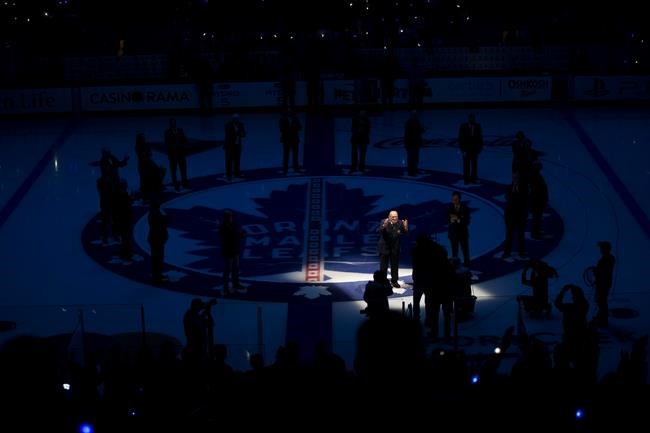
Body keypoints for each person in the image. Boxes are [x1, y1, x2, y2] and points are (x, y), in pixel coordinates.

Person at [377, 210, 408, 288]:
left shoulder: (400, 222)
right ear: (389, 217)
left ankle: (394, 281)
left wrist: (405, 226)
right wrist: (384, 225)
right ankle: (383, 281)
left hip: (395, 248)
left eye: (396, 216)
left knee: (394, 266)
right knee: (383, 267)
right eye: (393, 217)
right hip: (384, 248)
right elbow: (379, 231)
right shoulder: (384, 221)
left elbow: (404, 232)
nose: (395, 218)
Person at [218, 210, 245, 294]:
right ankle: (226, 288)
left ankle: (235, 283)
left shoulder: (233, 225)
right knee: (227, 270)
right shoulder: (223, 227)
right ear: (225, 217)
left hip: (235, 250)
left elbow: (235, 237)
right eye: (229, 217)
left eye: (231, 216)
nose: (230, 218)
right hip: (228, 252)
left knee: (235, 269)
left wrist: (240, 235)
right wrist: (238, 236)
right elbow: (227, 239)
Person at [502, 172, 528, 258]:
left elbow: (522, 201)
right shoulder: (509, 187)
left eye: (516, 177)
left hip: (520, 216)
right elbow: (507, 198)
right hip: (510, 216)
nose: (515, 179)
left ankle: (521, 252)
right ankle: (507, 252)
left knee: (520, 235)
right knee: (509, 235)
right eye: (513, 177)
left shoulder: (524, 188)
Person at [183, 297, 217, 363]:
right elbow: (202, 323)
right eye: (200, 306)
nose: (201, 307)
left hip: (200, 348)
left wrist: (207, 310)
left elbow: (209, 323)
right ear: (195, 306)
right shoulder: (190, 315)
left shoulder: (193, 315)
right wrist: (208, 309)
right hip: (195, 349)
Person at [593, 241, 616, 327]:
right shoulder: (609, 258)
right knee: (601, 301)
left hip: (603, 284)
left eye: (601, 248)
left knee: (601, 301)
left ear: (605, 249)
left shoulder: (607, 259)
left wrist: (597, 272)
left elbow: (604, 272)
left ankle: (603, 319)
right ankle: (601, 316)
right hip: (604, 283)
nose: (600, 250)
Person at [164, 118, 189, 191]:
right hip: (173, 155)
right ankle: (175, 185)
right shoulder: (167, 132)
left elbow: (185, 140)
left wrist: (182, 145)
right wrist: (173, 147)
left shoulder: (180, 130)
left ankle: (185, 183)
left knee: (183, 169)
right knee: (174, 171)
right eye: (172, 123)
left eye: (174, 122)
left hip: (181, 154)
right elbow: (167, 144)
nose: (173, 124)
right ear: (170, 124)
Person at [458, 114, 483, 184]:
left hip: (474, 150)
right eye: (471, 118)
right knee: (466, 165)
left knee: (474, 165)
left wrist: (479, 150)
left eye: (473, 118)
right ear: (468, 119)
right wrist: (462, 150)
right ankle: (466, 179)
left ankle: (473, 179)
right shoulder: (463, 127)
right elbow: (461, 139)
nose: (472, 120)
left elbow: (480, 138)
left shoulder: (478, 126)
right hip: (466, 150)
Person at [447, 191, 471, 267]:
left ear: (459, 199)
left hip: (462, 233)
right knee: (454, 251)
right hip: (453, 234)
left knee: (465, 250)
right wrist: (450, 220)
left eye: (456, 199)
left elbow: (467, 221)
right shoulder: (449, 207)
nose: (454, 201)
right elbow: (445, 218)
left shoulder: (465, 208)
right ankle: (455, 265)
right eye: (453, 199)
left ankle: (467, 265)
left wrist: (458, 219)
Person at [148, 200, 169, 283]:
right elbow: (158, 226)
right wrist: (165, 220)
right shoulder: (154, 215)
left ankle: (157, 274)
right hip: (156, 239)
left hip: (156, 239)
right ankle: (156, 276)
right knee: (157, 258)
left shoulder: (154, 214)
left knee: (157, 258)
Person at [529, 162, 549, 240]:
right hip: (537, 201)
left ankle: (536, 231)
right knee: (536, 218)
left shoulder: (536, 176)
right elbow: (536, 190)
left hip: (538, 200)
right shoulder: (535, 177)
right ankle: (535, 233)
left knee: (537, 218)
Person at [279, 109, 302, 175]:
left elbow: (300, 127)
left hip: (294, 140)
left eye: (290, 112)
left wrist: (295, 126)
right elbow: (281, 129)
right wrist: (292, 128)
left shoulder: (295, 119)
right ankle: (285, 169)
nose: (289, 113)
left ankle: (296, 168)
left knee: (295, 155)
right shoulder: (282, 119)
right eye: (288, 112)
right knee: (286, 155)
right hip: (286, 140)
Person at [224, 114, 246, 180]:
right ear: (232, 119)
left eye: (237, 118)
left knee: (237, 160)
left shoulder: (241, 124)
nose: (236, 120)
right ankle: (229, 174)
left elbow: (243, 134)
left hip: (237, 146)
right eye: (235, 118)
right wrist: (238, 133)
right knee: (229, 160)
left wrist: (239, 133)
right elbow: (229, 134)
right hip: (229, 146)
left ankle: (237, 173)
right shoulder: (228, 125)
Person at [404, 110, 424, 177]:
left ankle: (414, 169)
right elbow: (409, 134)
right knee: (411, 158)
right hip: (411, 143)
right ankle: (411, 171)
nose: (416, 116)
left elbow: (419, 131)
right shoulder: (410, 122)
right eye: (414, 115)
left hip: (416, 143)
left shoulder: (416, 122)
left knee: (415, 157)